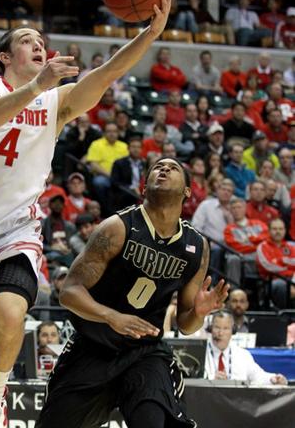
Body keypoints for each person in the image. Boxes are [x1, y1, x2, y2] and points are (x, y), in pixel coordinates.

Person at [0, 0, 173, 426]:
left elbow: (105, 74)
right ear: (5, 57)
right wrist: (39, 85)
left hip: (15, 228)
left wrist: (150, 32)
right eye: (28, 41)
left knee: (11, 311)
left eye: (42, 44)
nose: (38, 46)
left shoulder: (55, 102)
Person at [36, 156, 229, 428]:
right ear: (143, 188)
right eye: (157, 167)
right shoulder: (117, 228)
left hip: (145, 352)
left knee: (154, 420)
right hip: (95, 346)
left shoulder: (197, 246)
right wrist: (111, 316)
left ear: (187, 191)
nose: (163, 169)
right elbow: (69, 291)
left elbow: (186, 325)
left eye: (172, 168)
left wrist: (198, 312)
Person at [205, 311, 287, 384]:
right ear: (210, 329)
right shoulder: (201, 351)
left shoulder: (242, 355)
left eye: (226, 328)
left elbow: (258, 376)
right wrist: (211, 381)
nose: (221, 333)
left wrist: (273, 379)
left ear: (233, 331)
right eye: (217, 327)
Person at [223, 197, 268, 287]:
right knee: (232, 258)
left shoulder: (259, 224)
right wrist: (256, 243)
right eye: (234, 208)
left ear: (245, 208)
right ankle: (234, 293)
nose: (236, 210)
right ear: (230, 211)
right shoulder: (229, 229)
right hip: (243, 260)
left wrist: (249, 240)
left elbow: (266, 239)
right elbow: (236, 247)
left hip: (260, 259)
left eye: (239, 207)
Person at [256, 218, 295, 308]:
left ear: (285, 230)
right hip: (271, 281)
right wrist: (289, 267)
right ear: (269, 231)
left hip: (292, 279)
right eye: (275, 229)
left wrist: (280, 261)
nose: (278, 232)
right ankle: (283, 316)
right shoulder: (263, 246)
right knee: (281, 285)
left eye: (281, 229)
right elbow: (268, 267)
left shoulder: (290, 247)